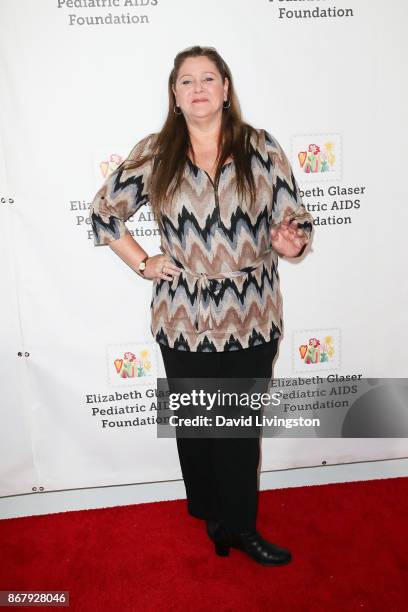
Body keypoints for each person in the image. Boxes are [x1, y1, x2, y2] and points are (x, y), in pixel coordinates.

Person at [89, 45, 314, 566]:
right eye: (186, 81)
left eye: (208, 78)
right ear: (174, 95)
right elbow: (104, 214)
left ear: (226, 89)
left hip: (251, 314)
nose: (198, 89)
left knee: (237, 427)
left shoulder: (261, 148)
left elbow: (294, 220)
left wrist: (291, 242)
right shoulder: (154, 153)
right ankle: (214, 515)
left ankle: (242, 527)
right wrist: (144, 263)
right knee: (196, 425)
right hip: (182, 314)